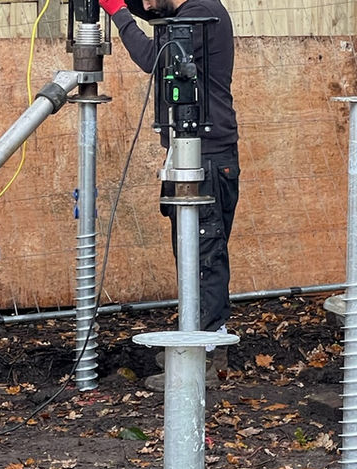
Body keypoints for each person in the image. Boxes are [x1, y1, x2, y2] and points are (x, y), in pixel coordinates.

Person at [98, 0, 240, 390]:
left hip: (208, 158)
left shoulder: (197, 15)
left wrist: (116, 10)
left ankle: (206, 358)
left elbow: (151, 57)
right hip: (194, 154)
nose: (142, 4)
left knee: (205, 257)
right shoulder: (186, 13)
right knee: (192, 254)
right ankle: (195, 340)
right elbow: (152, 13)